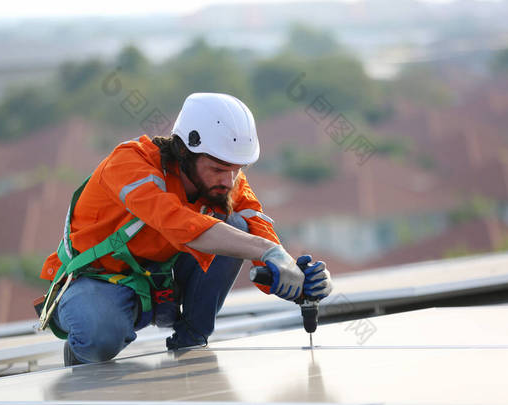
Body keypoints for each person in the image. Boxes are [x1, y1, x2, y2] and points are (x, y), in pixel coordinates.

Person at [37, 92, 333, 366]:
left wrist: (296, 278)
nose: (229, 181)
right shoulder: (130, 164)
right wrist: (269, 251)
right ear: (183, 150)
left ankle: (191, 342)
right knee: (98, 333)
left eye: (236, 169)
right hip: (98, 284)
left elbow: (257, 232)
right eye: (218, 169)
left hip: (161, 285)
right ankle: (80, 352)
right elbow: (177, 223)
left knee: (236, 228)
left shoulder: (225, 179)